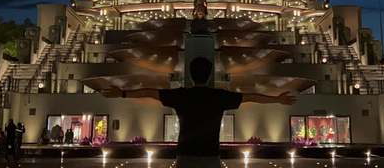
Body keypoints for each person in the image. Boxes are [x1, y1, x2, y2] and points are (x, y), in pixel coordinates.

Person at [101, 57, 295, 168]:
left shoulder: (181, 96)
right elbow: (251, 96)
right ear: (210, 74)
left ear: (190, 74)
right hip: (210, 156)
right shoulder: (218, 97)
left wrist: (122, 93)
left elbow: (150, 92)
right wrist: (277, 98)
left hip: (185, 156)